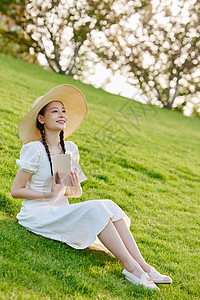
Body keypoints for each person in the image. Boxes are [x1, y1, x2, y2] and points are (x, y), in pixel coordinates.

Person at [11, 84, 172, 291]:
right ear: (41, 119)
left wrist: (74, 189)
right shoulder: (34, 150)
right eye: (54, 111)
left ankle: (144, 266)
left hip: (60, 210)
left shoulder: (67, 149)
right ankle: (130, 267)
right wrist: (48, 193)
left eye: (64, 111)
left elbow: (66, 192)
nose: (62, 115)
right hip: (37, 214)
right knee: (97, 208)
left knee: (109, 205)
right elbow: (16, 191)